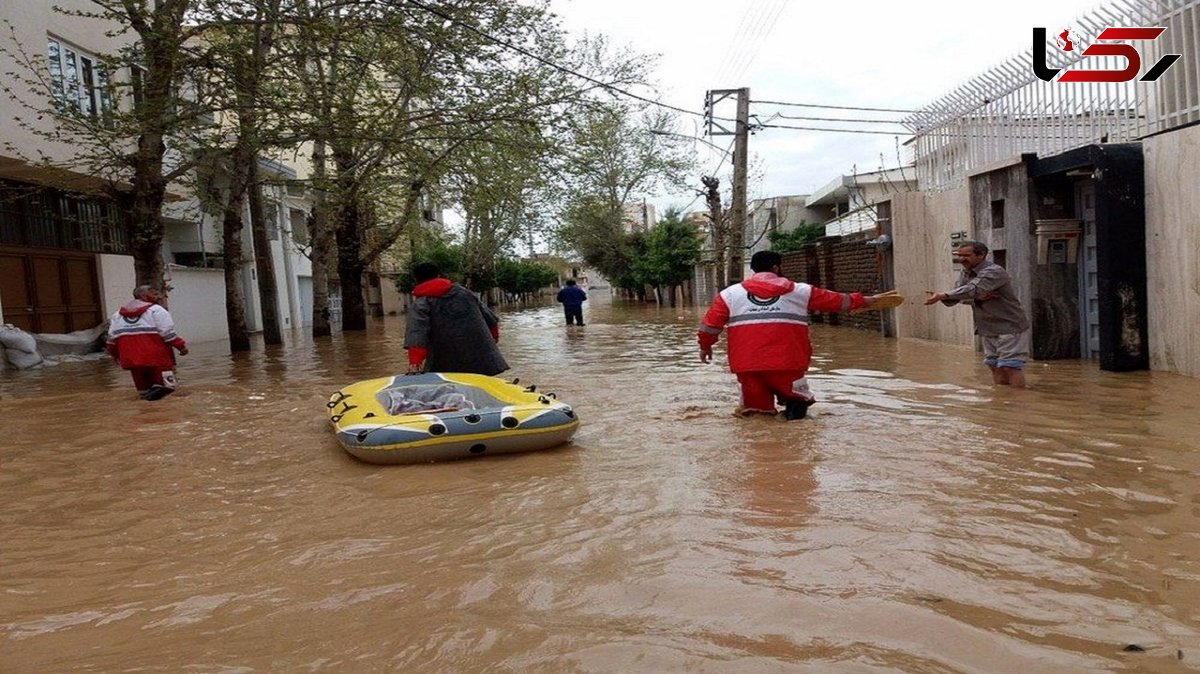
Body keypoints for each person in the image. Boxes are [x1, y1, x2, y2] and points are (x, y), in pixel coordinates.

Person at [698, 250, 874, 420]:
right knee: (798, 402)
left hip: (747, 365)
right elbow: (837, 301)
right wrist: (865, 301)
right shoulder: (801, 291)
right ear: (776, 268)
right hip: (788, 362)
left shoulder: (729, 295)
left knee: (756, 415)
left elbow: (709, 326)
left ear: (753, 270)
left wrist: (705, 347)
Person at [924, 240, 1031, 388]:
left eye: (966, 255)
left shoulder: (994, 271)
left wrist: (944, 295)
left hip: (1010, 326)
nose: (961, 259)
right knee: (993, 365)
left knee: (1010, 366)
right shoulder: (965, 273)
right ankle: (1003, 400)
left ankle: (1018, 401)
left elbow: (972, 290)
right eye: (959, 255)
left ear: (981, 255)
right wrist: (960, 297)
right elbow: (958, 296)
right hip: (987, 327)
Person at [404, 262, 509, 376]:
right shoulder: (465, 293)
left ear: (416, 279)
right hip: (484, 361)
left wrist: (414, 366)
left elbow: (417, 336)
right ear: (439, 275)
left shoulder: (421, 304)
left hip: (446, 365)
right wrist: (493, 340)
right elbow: (491, 320)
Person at [105, 285, 188, 400]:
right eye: (153, 293)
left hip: (132, 362)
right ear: (143, 295)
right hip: (157, 360)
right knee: (168, 390)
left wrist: (116, 357)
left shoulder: (117, 315)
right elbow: (168, 334)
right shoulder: (157, 311)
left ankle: (145, 414)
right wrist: (182, 347)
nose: (157, 296)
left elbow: (111, 341)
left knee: (143, 394)